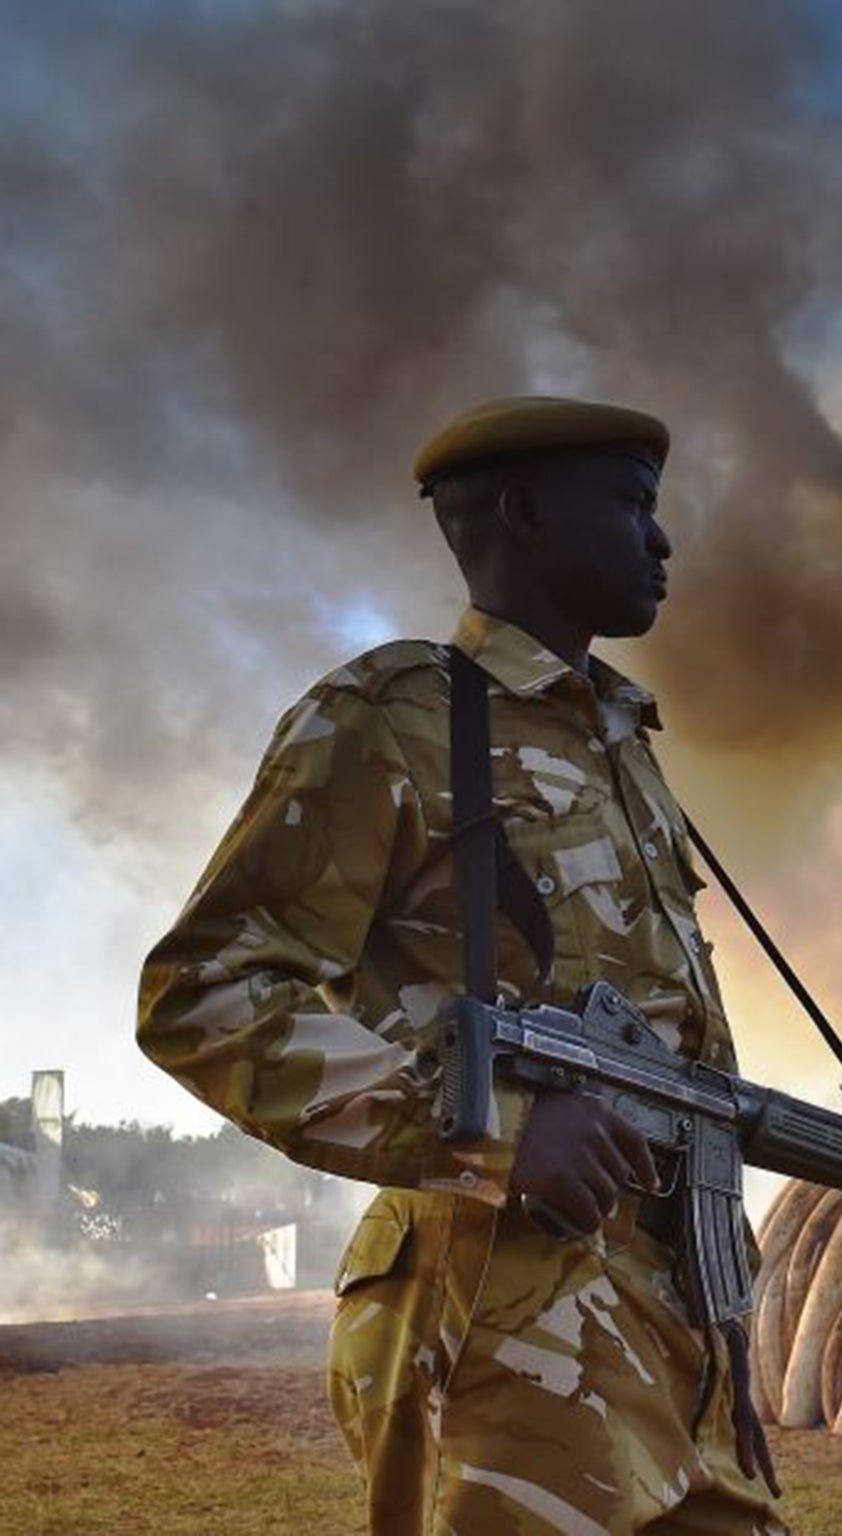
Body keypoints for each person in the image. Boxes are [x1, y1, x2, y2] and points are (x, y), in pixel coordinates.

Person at [137, 396, 784, 1535]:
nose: (663, 540)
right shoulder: (393, 718)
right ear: (525, 513)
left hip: (662, 1316)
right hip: (497, 1321)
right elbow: (206, 990)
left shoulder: (622, 745)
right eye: (634, 505)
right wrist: (491, 1129)